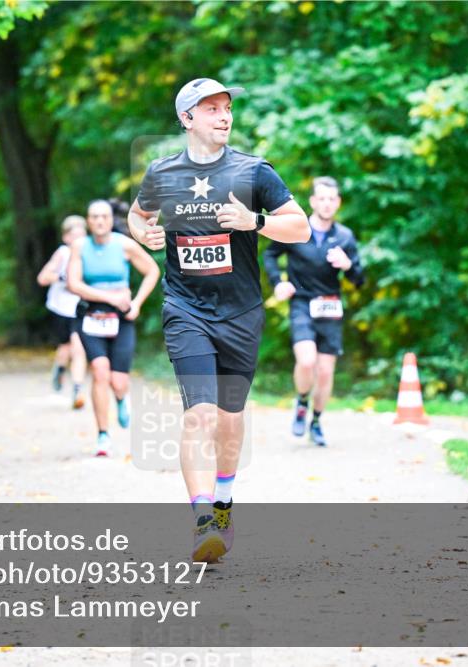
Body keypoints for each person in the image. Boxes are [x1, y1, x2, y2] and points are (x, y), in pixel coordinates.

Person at [127, 78, 309, 562]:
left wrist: (257, 223)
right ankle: (203, 519)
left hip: (241, 314)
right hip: (186, 309)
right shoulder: (162, 173)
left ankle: (224, 500)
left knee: (229, 422)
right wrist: (143, 232)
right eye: (211, 109)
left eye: (226, 108)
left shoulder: (253, 172)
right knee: (199, 415)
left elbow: (301, 225)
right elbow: (137, 213)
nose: (223, 116)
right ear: (187, 119)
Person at [264, 176, 364, 446]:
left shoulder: (344, 236)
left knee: (325, 372)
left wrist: (347, 266)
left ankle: (316, 421)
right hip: (301, 303)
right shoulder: (297, 229)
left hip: (330, 306)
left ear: (338, 203)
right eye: (322, 198)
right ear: (312, 201)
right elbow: (270, 254)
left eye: (332, 199)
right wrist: (278, 282)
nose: (327, 203)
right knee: (307, 361)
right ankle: (301, 402)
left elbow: (359, 279)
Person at [67, 200, 160, 456]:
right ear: (88, 221)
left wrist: (137, 303)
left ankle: (121, 397)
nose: (99, 221)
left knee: (118, 381)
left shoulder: (124, 245)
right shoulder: (79, 247)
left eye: (104, 217)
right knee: (100, 371)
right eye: (94, 217)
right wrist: (108, 297)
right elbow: (73, 284)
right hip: (90, 316)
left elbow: (152, 271)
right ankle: (103, 435)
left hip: (121, 318)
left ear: (110, 220)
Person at [37, 215, 89, 409]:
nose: (78, 240)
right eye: (74, 236)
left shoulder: (89, 253)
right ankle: (59, 368)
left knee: (79, 348)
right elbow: (42, 278)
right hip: (60, 307)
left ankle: (77, 390)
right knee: (65, 348)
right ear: (66, 238)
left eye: (81, 235)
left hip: (79, 307)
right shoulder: (62, 253)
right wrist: (62, 276)